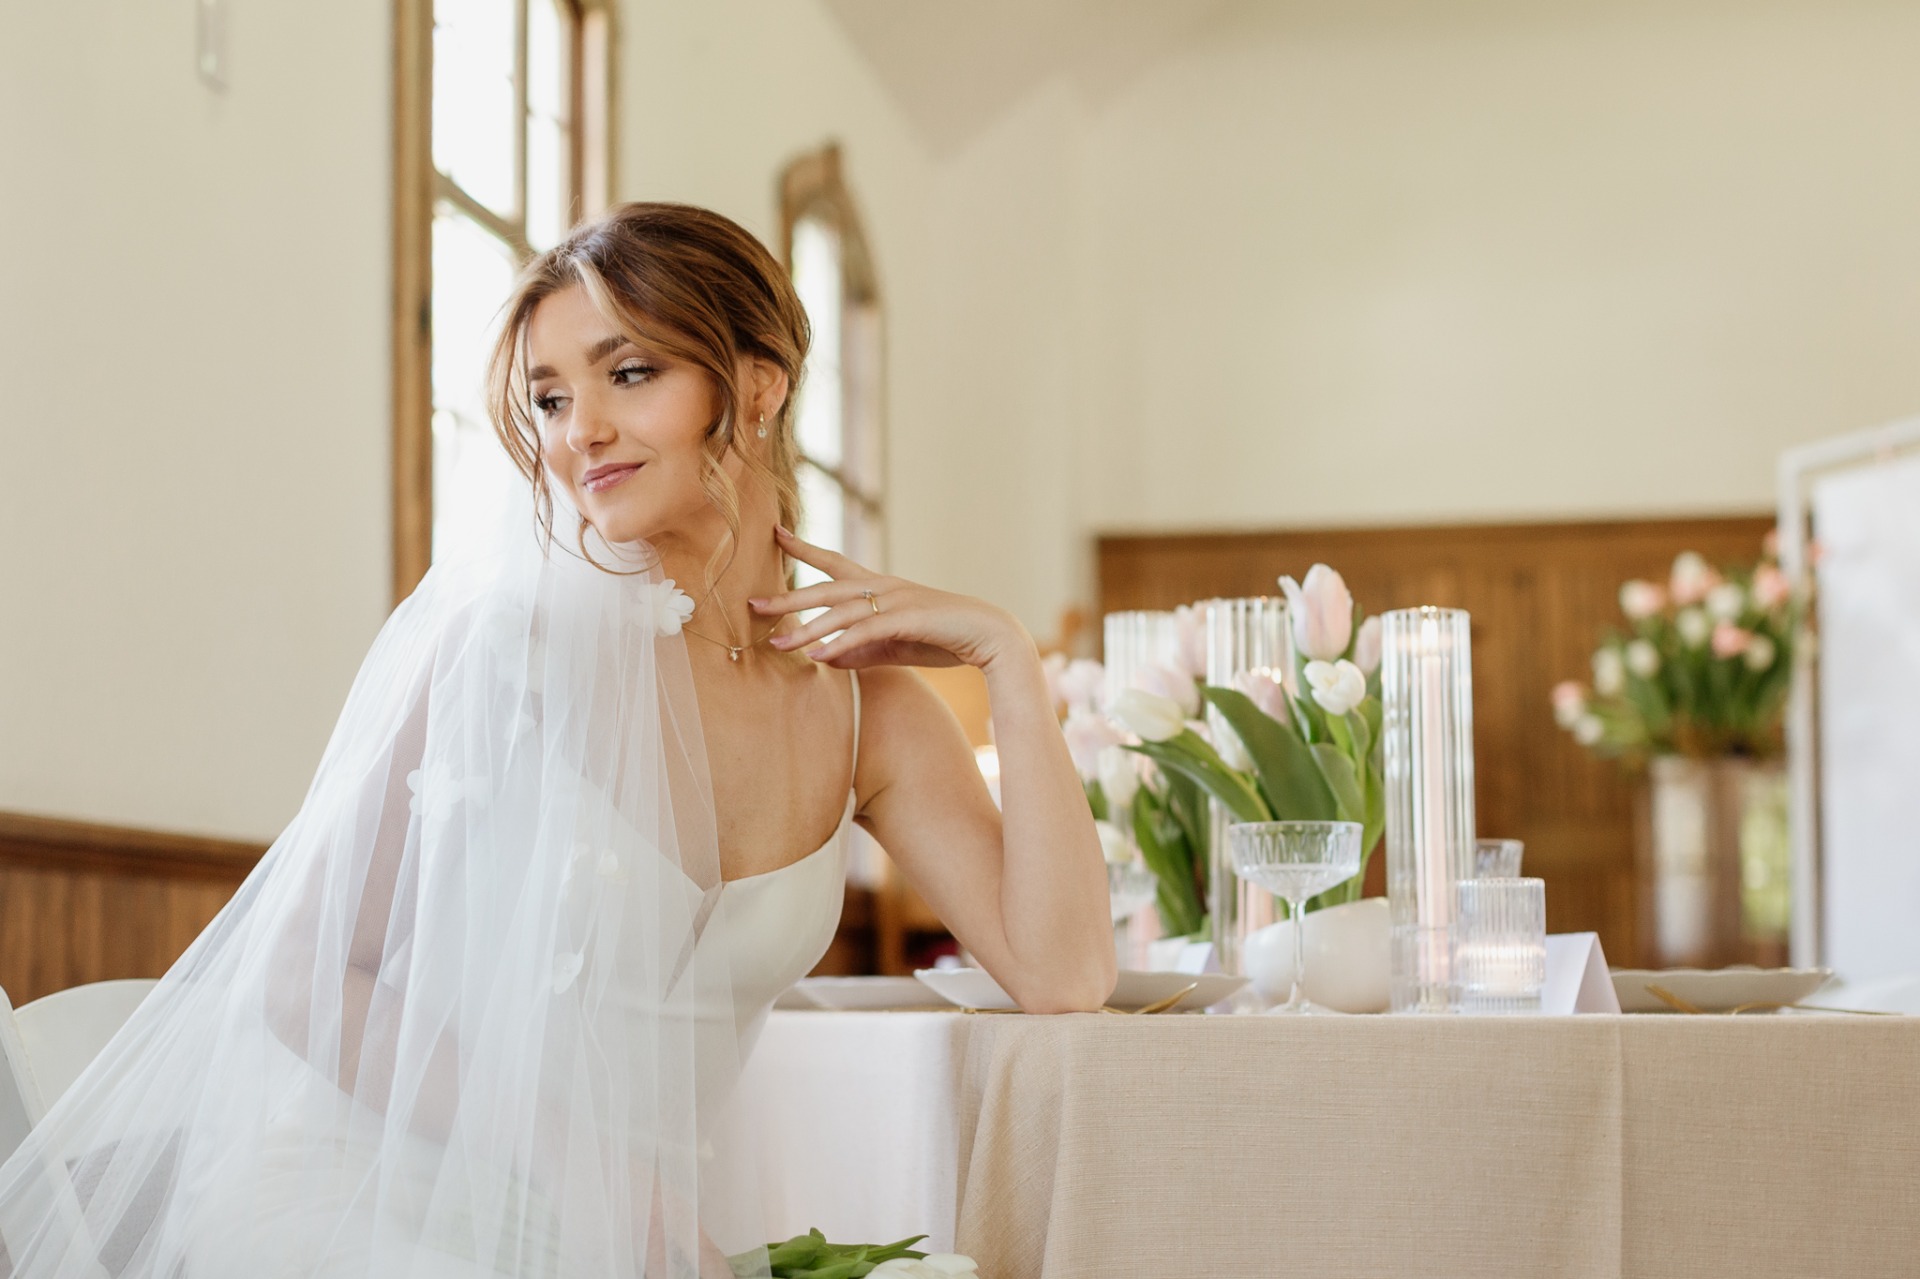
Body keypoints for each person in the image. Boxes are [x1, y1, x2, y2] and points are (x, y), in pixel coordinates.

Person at [0, 202, 1113, 1277]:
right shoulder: (508, 649)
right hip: (367, 1200)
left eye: (629, 373)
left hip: (631, 1246)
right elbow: (298, 974)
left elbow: (1063, 976)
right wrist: (583, 1169)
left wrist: (1006, 655)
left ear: (758, 385)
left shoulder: (870, 712)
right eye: (547, 396)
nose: (579, 430)